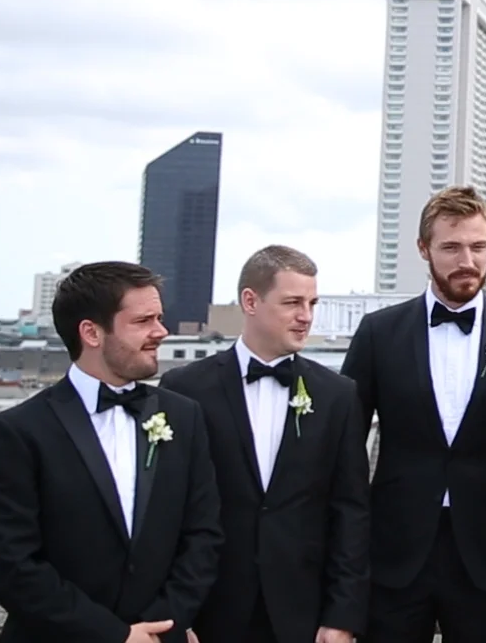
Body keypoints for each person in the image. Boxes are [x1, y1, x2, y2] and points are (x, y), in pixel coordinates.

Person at [341, 187, 486, 643]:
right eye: (451, 247)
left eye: (478, 246)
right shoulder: (378, 333)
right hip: (392, 556)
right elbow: (343, 452)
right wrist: (345, 567)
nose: (467, 259)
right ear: (424, 249)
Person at [0, 262, 222, 643]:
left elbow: (204, 536)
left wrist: (163, 624)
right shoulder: (19, 432)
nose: (161, 331)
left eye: (159, 318)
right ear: (91, 332)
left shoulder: (183, 416)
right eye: (143, 321)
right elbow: (10, 566)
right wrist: (115, 635)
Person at [159, 246, 370, 643]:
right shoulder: (185, 389)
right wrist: (175, 613)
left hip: (303, 613)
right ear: (250, 302)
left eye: (311, 303)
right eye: (292, 302)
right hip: (208, 612)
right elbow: (167, 510)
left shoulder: (338, 395)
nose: (306, 316)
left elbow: (350, 512)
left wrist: (343, 615)